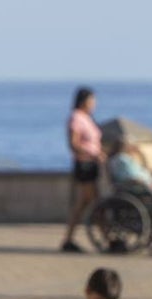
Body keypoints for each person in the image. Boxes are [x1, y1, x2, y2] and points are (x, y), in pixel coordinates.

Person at [60, 87, 105, 253]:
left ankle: (68, 239)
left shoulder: (87, 118)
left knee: (83, 204)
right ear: (83, 101)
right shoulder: (76, 118)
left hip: (92, 164)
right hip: (84, 165)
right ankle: (107, 237)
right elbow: (74, 144)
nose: (94, 104)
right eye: (91, 101)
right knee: (95, 203)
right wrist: (93, 154)